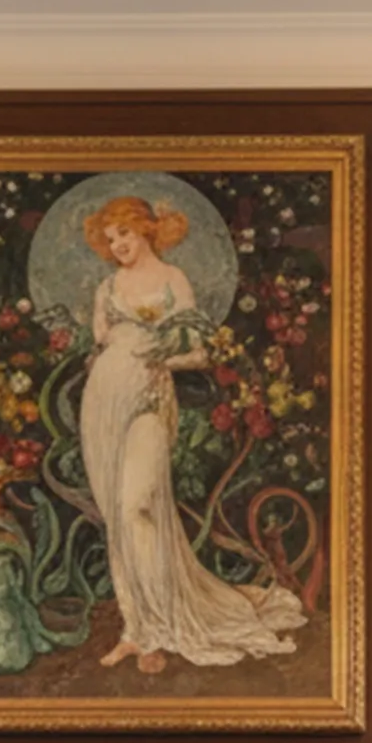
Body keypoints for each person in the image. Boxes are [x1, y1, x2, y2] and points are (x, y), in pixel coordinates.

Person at [75, 194, 306, 673]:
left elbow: (200, 353)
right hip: (101, 406)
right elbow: (100, 347)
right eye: (110, 236)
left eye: (126, 233)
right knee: (118, 520)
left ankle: (161, 624)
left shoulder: (172, 280)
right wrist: (110, 362)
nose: (118, 244)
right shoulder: (105, 288)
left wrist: (160, 357)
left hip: (150, 400)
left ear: (146, 231)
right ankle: (136, 629)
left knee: (138, 506)